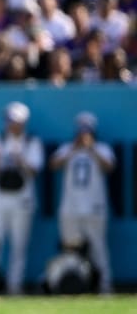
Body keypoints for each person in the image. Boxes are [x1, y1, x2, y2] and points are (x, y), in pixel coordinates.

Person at [0, 101, 44, 295]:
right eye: (8, 120)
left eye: (14, 120)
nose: (10, 124)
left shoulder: (32, 142)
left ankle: (14, 286)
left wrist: (20, 160)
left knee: (19, 246)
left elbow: (35, 170)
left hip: (22, 200)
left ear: (23, 122)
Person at [50, 111, 115, 294]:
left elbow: (109, 167)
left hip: (95, 206)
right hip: (70, 206)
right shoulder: (67, 148)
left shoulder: (102, 148)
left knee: (98, 247)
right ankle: (72, 286)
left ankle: (104, 285)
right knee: (70, 249)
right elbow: (54, 164)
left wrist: (91, 148)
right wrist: (74, 149)